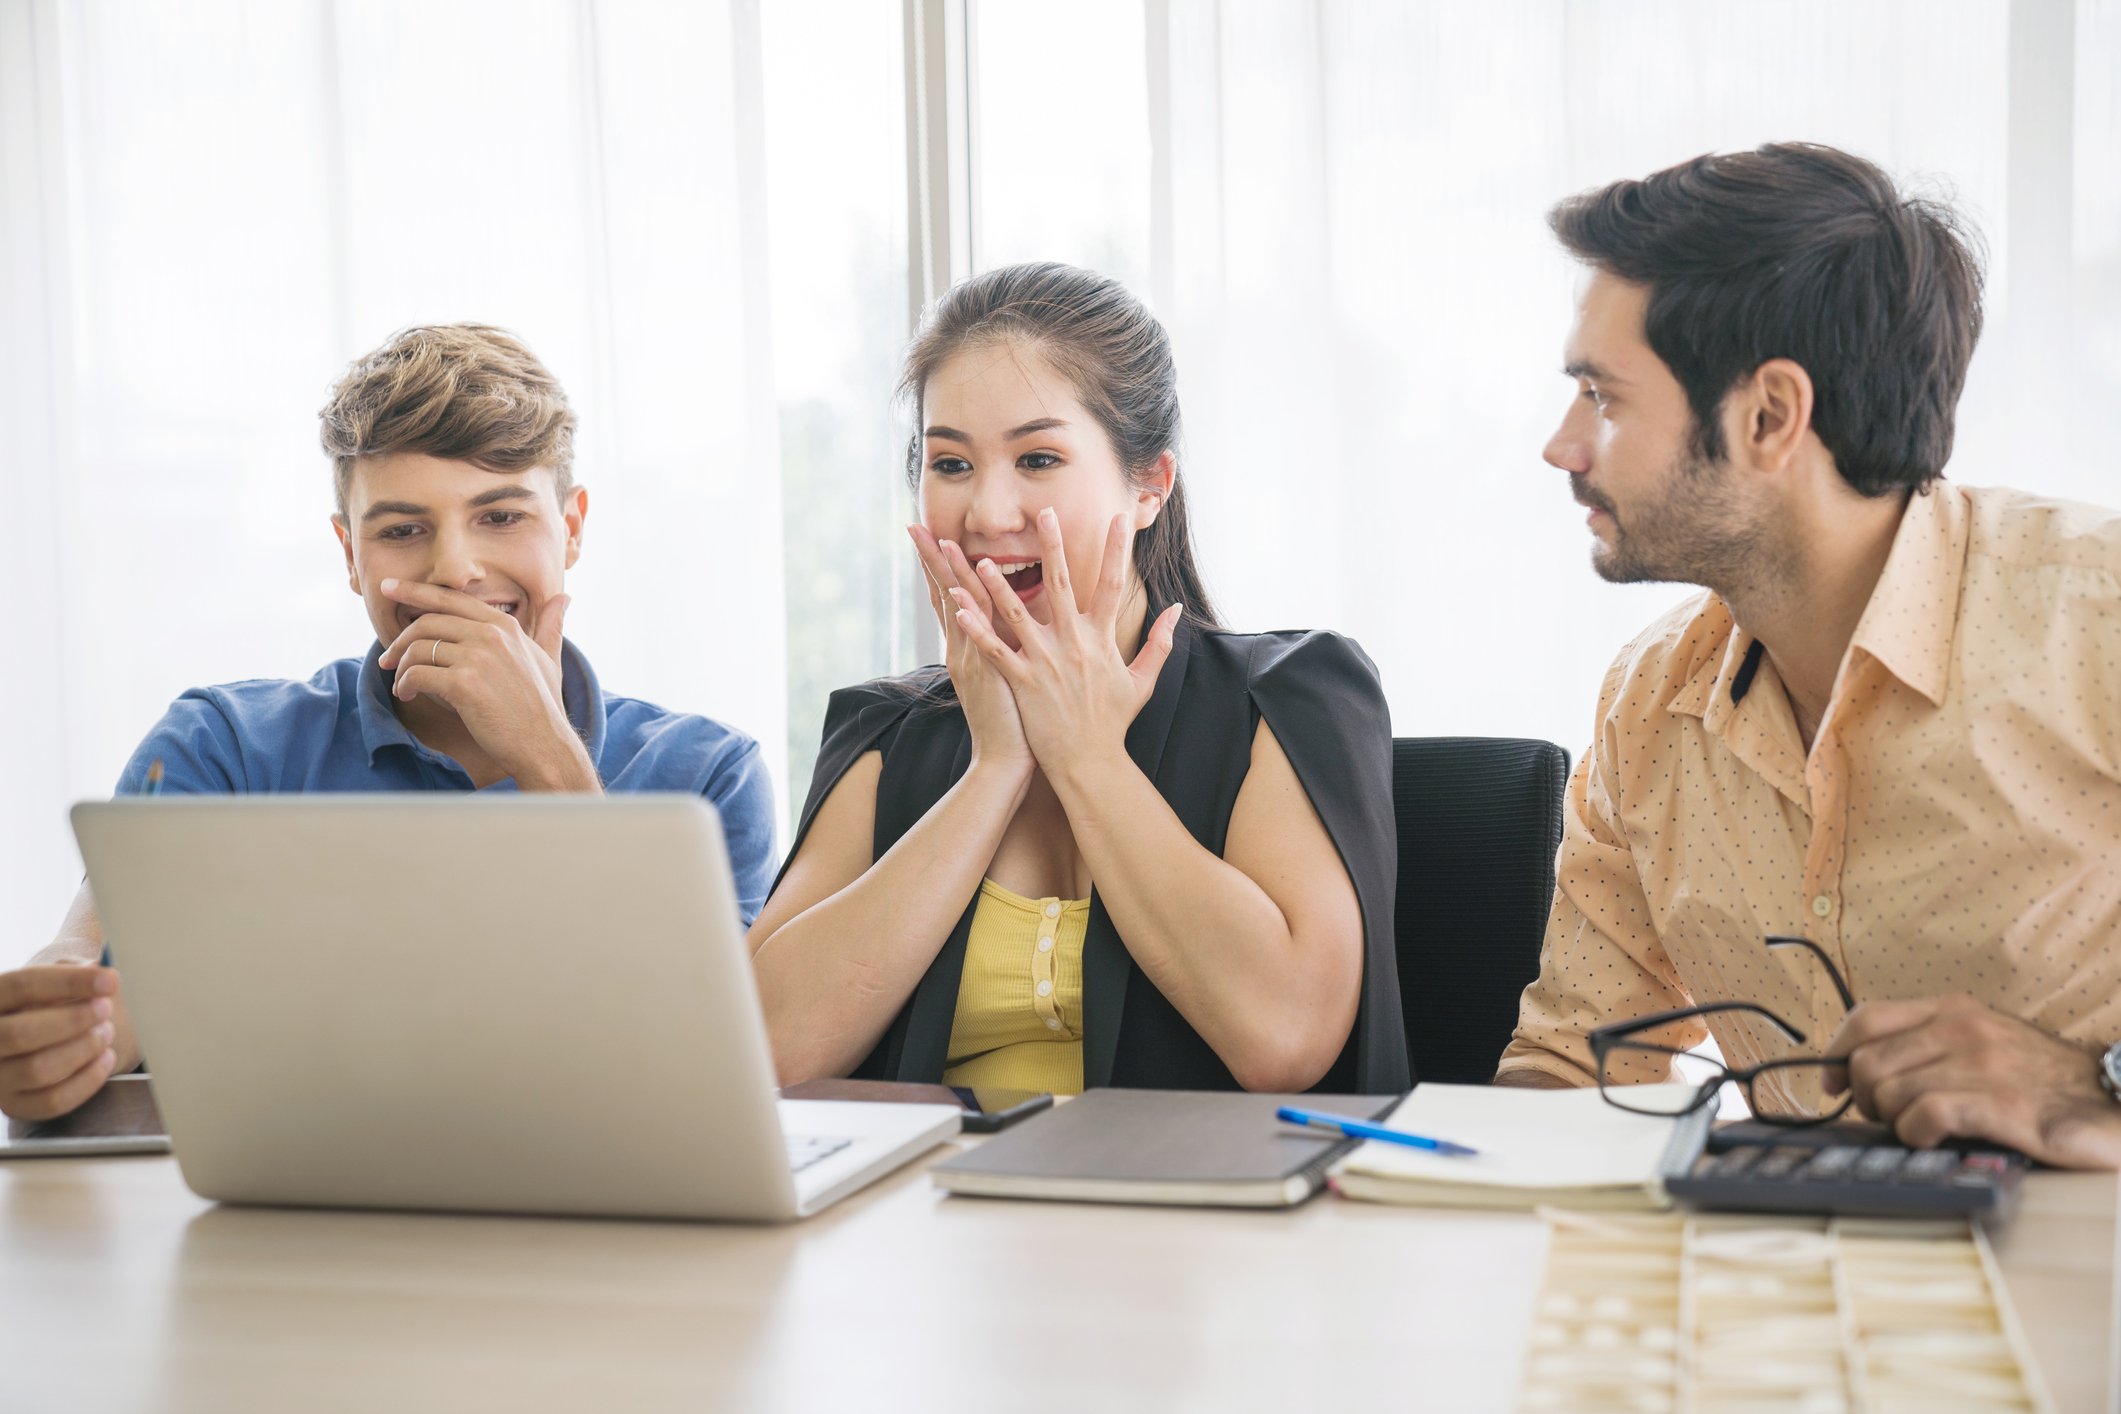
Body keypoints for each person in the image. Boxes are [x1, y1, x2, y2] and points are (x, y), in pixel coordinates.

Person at [1495, 143, 2121, 1170]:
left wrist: (2095, 1084)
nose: (1562, 447)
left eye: (1602, 397)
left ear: (1771, 416)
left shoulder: (2097, 623)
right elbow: (1571, 1071)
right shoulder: (1649, 702)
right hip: (1776, 1294)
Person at [0, 324, 777, 1122]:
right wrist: (67, 1028)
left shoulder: (708, 774)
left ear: (572, 527)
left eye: (501, 516)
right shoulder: (227, 745)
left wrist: (551, 761)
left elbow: (689, 1068)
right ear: (349, 554)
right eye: (402, 531)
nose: (455, 569)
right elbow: (103, 969)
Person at [751, 263, 1407, 1095]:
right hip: (931, 1214)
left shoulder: (1287, 693)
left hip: (1203, 1213)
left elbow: (1282, 1039)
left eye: (1037, 458)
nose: (988, 514)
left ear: (1148, 486)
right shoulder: (886, 729)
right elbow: (763, 1055)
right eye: (950, 465)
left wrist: (1086, 757)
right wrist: (995, 766)